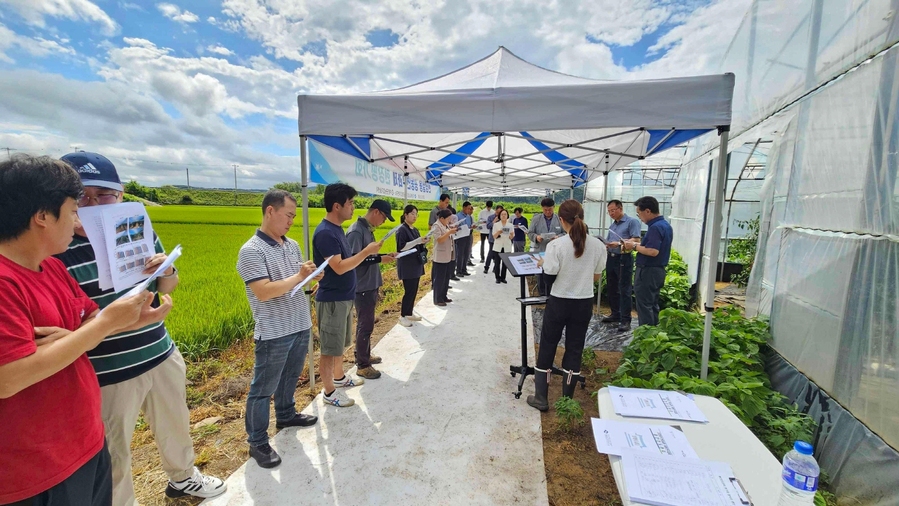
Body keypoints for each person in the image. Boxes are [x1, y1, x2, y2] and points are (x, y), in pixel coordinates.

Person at [0, 154, 170, 506]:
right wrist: (106, 323)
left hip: (84, 444)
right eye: (74, 208)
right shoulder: (5, 282)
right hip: (36, 471)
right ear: (42, 216)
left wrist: (131, 319)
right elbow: (8, 377)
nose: (81, 217)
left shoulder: (49, 268)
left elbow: (86, 322)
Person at [55, 152, 224, 504]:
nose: (94, 205)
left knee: (175, 424)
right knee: (114, 452)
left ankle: (183, 478)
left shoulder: (134, 231)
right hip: (107, 372)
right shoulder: (55, 250)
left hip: (159, 351)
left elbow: (167, 287)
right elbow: (63, 330)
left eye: (104, 195)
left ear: (119, 197)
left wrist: (166, 271)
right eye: (83, 197)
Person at [237, 190, 323, 469]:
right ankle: (257, 442)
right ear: (270, 211)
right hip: (274, 330)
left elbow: (295, 285)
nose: (290, 222)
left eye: (294, 217)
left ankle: (286, 414)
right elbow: (263, 291)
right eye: (288, 216)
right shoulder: (251, 250)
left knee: (290, 377)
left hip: (299, 322)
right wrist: (299, 276)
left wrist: (310, 280)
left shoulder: (292, 245)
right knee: (263, 388)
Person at [527, 200, 604, 411]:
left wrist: (544, 265)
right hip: (583, 303)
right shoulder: (598, 245)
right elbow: (596, 277)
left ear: (561, 220)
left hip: (559, 301)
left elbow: (550, 275)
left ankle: (541, 398)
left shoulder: (556, 245)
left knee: (548, 344)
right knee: (575, 347)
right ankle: (566, 402)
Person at [313, 184, 383, 408]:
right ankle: (329, 391)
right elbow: (340, 266)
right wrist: (366, 251)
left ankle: (340, 377)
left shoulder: (338, 230)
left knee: (339, 344)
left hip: (343, 296)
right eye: (350, 203)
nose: (353, 208)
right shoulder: (325, 233)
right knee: (329, 348)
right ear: (337, 206)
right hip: (332, 299)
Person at [346, 200, 397, 380]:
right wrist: (377, 258)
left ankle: (365, 355)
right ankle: (362, 365)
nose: (383, 221)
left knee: (367, 324)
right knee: (364, 324)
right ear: (376, 212)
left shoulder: (367, 230)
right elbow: (354, 260)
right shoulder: (356, 231)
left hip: (370, 283)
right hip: (362, 286)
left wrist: (383, 257)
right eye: (383, 217)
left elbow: (369, 256)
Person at [623, 196, 673, 327]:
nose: (639, 217)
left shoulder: (655, 227)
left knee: (644, 304)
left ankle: (646, 336)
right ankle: (654, 332)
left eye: (639, 213)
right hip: (657, 271)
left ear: (648, 211)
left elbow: (652, 251)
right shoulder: (665, 225)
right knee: (652, 303)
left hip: (648, 271)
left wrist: (633, 246)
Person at [603, 200, 642, 332]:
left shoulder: (631, 222)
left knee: (624, 289)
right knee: (612, 287)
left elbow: (636, 240)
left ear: (620, 208)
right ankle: (615, 314)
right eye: (609, 211)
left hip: (624, 258)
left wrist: (619, 244)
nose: (610, 213)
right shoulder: (613, 225)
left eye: (613, 210)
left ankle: (626, 320)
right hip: (612, 257)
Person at [395, 205, 425, 327]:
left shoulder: (415, 229)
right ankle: (402, 316)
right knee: (409, 291)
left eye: (416, 214)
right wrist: (418, 241)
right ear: (405, 215)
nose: (414, 216)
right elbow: (401, 247)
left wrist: (423, 241)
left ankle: (409, 313)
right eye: (412, 213)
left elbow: (417, 244)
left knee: (414, 290)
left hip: (416, 264)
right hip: (407, 265)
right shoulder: (401, 230)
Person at [528, 198, 563, 295]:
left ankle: (552, 295)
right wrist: (536, 237)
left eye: (550, 210)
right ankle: (542, 295)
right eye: (545, 210)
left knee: (554, 273)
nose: (548, 212)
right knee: (541, 275)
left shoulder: (560, 219)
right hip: (541, 250)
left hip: (555, 252)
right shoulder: (536, 219)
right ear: (542, 208)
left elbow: (565, 233)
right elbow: (530, 233)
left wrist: (557, 237)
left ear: (554, 208)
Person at [430, 208, 456, 306]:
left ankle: (443, 296)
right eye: (448, 218)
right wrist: (449, 232)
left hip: (447, 255)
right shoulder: (436, 226)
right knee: (439, 279)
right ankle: (437, 298)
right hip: (440, 257)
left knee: (446, 278)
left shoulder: (446, 225)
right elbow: (439, 240)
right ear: (441, 218)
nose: (449, 220)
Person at [489, 209, 514, 284]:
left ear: (507, 216)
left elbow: (511, 237)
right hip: (498, 246)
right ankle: (497, 277)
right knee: (497, 263)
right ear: (499, 216)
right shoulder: (496, 225)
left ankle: (503, 277)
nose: (503, 216)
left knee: (505, 263)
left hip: (507, 245)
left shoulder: (510, 225)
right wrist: (499, 231)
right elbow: (494, 236)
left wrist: (511, 234)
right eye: (502, 214)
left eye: (505, 214)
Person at [454, 202, 474, 277]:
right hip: (461, 237)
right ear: (464, 207)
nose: (469, 210)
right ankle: (458, 271)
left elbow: (469, 226)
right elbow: (455, 226)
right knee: (460, 254)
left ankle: (464, 269)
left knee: (466, 253)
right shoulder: (457, 216)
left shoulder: (469, 216)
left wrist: (472, 227)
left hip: (468, 235)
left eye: (470, 208)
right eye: (468, 208)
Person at [483, 205, 503, 273]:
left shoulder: (503, 218)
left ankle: (496, 268)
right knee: (490, 253)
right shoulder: (491, 217)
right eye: (497, 212)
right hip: (492, 238)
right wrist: (494, 221)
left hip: (500, 239)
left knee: (498, 254)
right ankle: (486, 267)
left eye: (500, 212)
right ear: (495, 211)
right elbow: (488, 226)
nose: (499, 214)